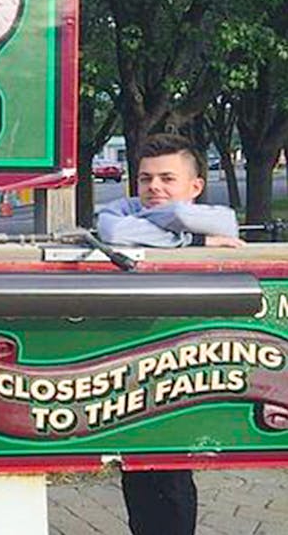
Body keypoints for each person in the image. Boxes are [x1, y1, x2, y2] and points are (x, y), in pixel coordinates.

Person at [97, 133, 242, 535]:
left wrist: (149, 226)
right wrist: (189, 236)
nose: (153, 187)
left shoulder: (211, 213)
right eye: (145, 179)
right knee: (139, 473)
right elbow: (112, 233)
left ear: (196, 186)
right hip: (134, 358)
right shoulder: (124, 211)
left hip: (184, 364)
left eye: (167, 178)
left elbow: (218, 223)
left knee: (172, 477)